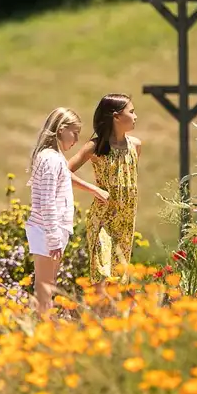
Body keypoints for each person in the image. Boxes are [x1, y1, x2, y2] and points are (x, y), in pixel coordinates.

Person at [26, 107, 106, 313]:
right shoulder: (51, 159)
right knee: (44, 288)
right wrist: (53, 236)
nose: (77, 139)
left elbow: (64, 179)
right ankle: (40, 328)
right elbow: (47, 201)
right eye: (74, 133)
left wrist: (93, 189)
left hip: (51, 229)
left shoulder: (53, 157)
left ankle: (43, 324)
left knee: (48, 286)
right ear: (61, 129)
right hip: (46, 229)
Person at [69, 93, 141, 283]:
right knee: (102, 276)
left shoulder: (136, 146)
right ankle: (97, 312)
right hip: (103, 219)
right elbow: (63, 172)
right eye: (131, 112)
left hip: (126, 221)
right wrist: (94, 190)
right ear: (116, 116)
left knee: (120, 279)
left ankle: (112, 313)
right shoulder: (95, 147)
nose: (135, 117)